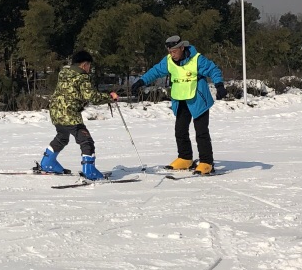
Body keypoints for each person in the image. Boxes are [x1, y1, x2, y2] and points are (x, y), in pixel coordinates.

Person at [131, 35, 225, 174]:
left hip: (198, 99)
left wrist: (219, 85)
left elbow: (213, 69)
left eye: (174, 51)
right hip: (180, 100)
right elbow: (155, 71)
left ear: (182, 48)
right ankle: (185, 158)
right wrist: (141, 81)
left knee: (201, 132)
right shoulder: (168, 61)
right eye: (170, 52)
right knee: (180, 131)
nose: (172, 54)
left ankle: (206, 162)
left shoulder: (196, 59)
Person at [39, 50, 115, 179]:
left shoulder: (64, 72)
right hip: (70, 114)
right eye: (89, 65)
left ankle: (47, 162)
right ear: (84, 64)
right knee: (86, 141)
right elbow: (90, 96)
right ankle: (89, 170)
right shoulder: (82, 76)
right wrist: (109, 97)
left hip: (56, 112)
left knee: (62, 137)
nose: (89, 69)